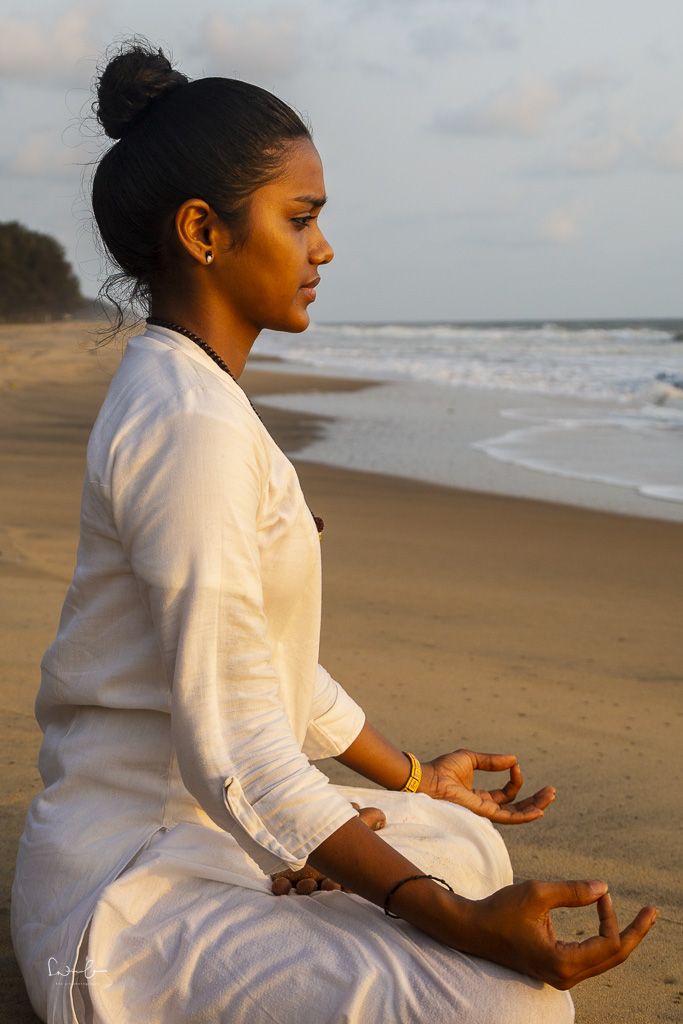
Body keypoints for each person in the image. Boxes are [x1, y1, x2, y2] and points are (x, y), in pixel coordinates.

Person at [11, 39, 655, 1024]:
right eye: (301, 218)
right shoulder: (188, 429)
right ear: (202, 231)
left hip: (203, 831)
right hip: (126, 889)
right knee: (505, 1002)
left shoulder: (200, 399)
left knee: (463, 835)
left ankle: (317, 866)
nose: (323, 248)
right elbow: (235, 751)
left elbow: (268, 669)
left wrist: (411, 776)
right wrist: (448, 919)